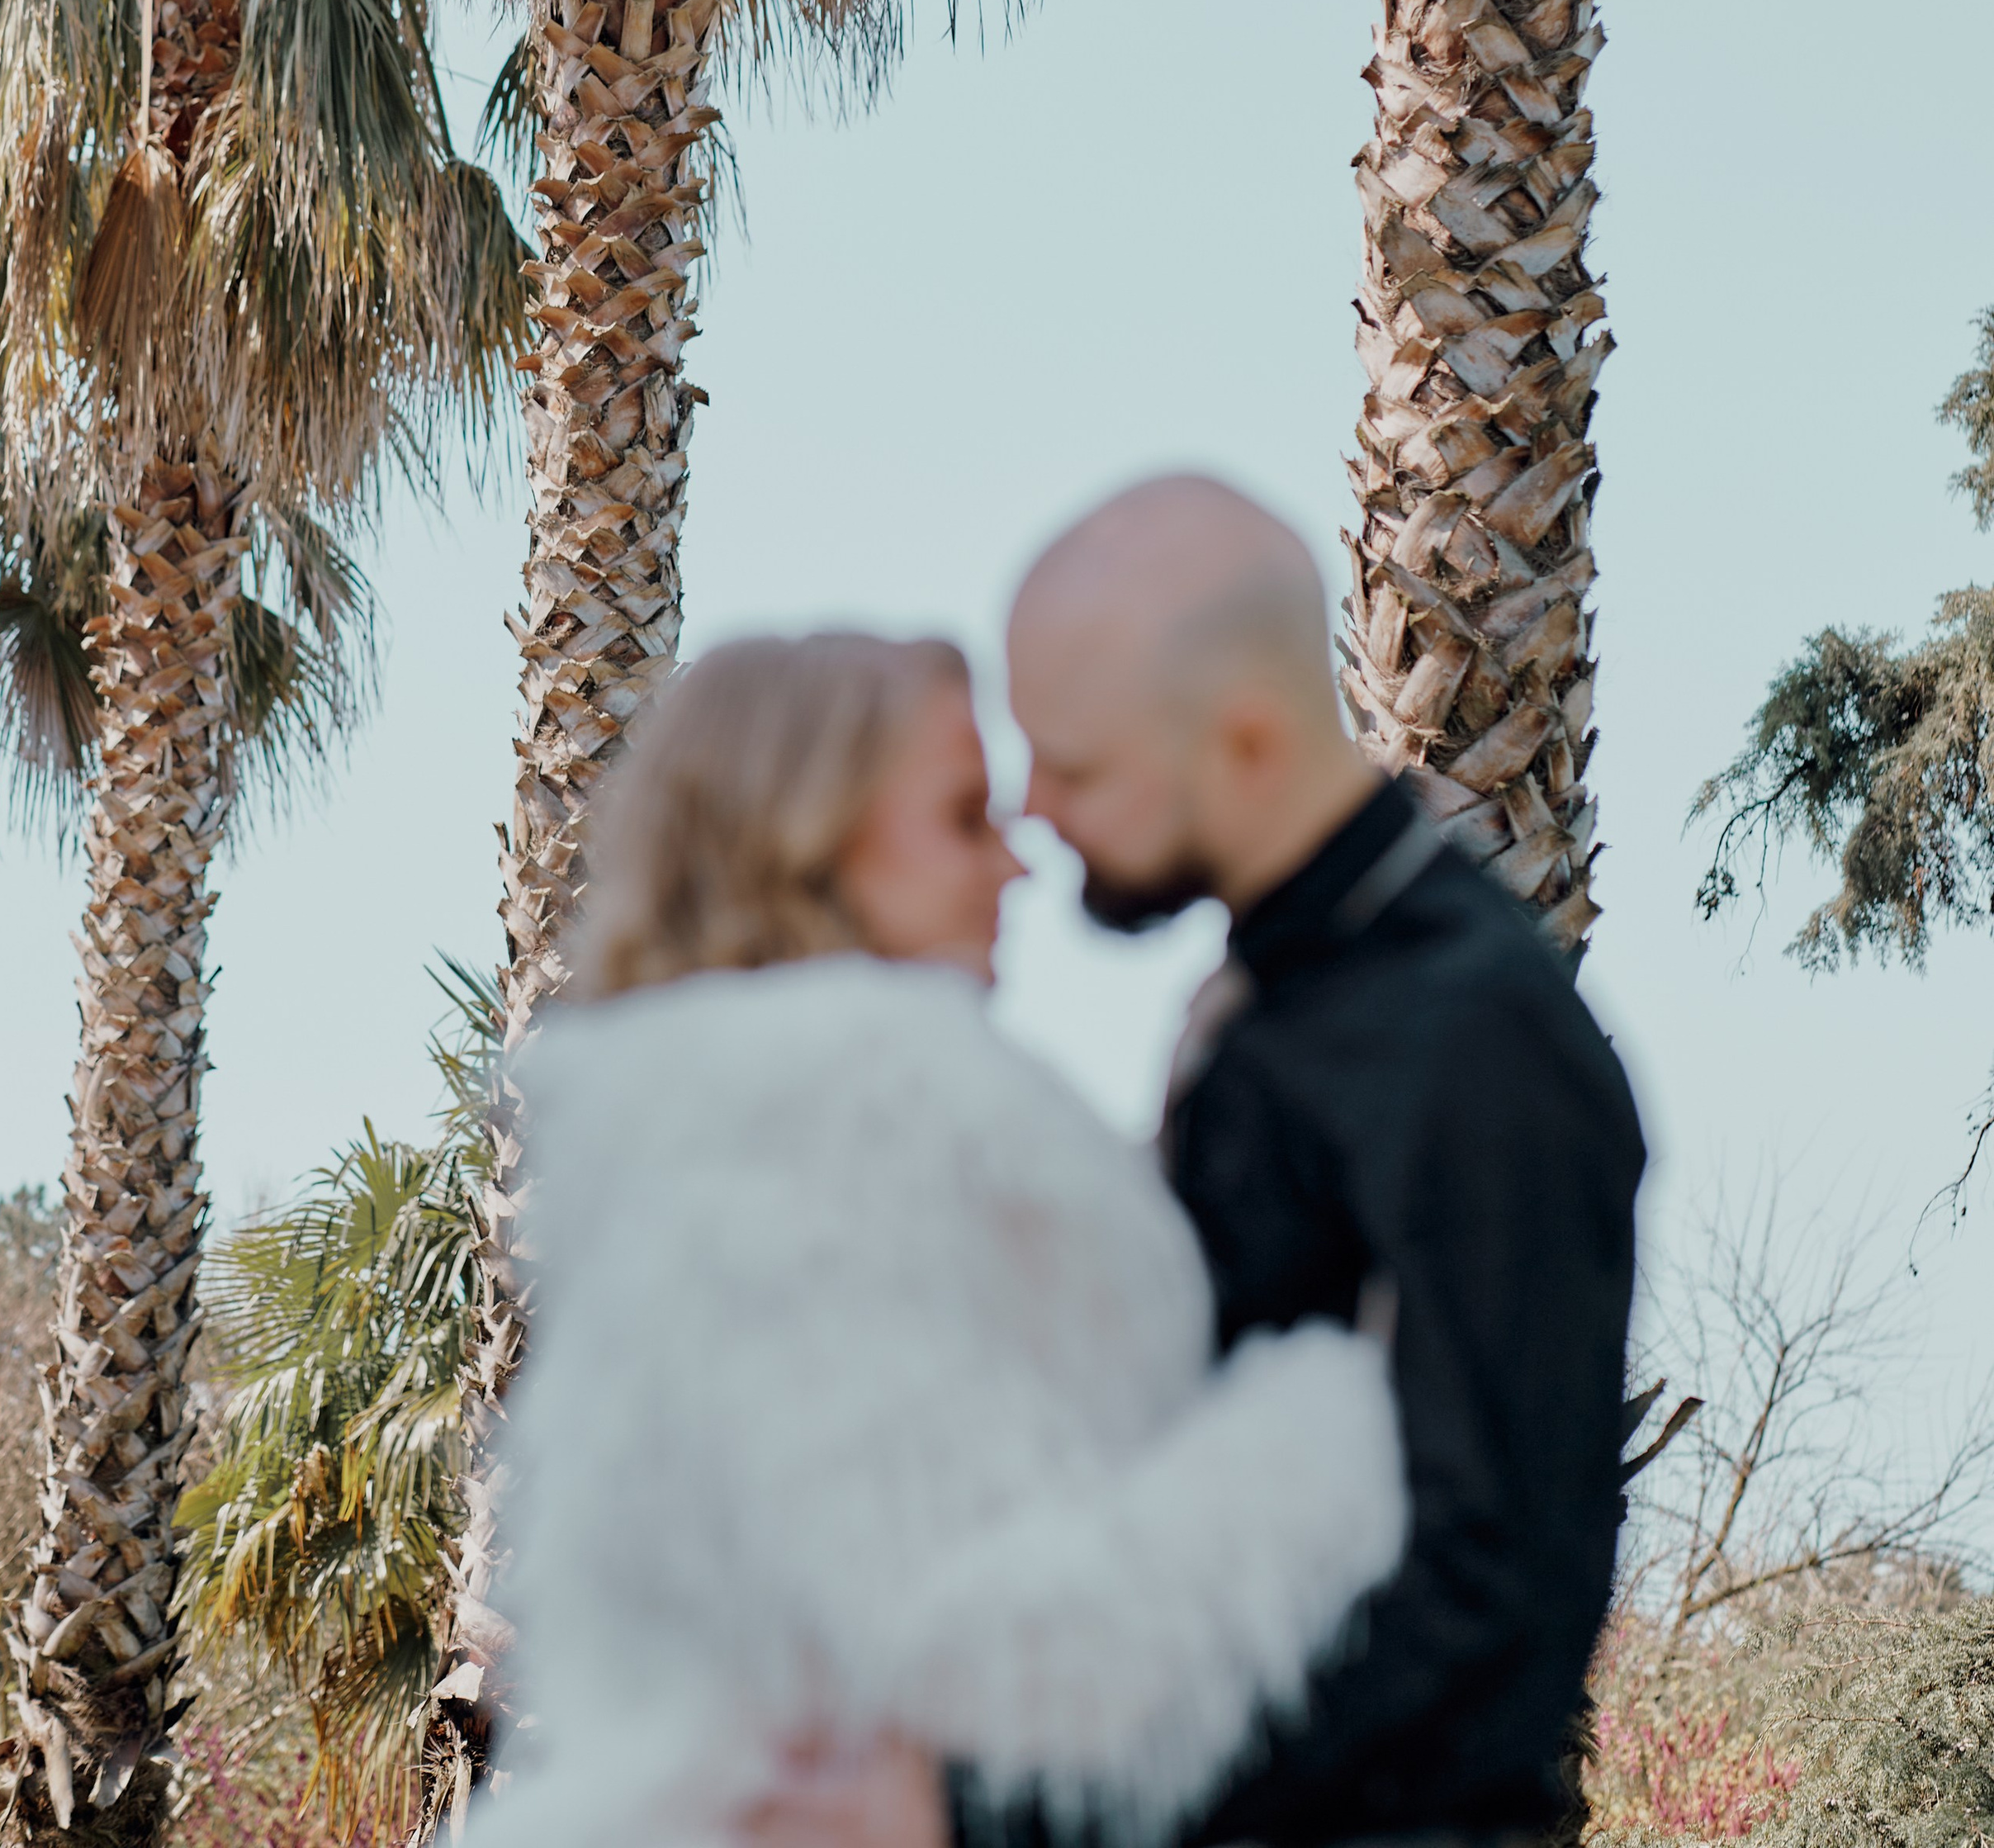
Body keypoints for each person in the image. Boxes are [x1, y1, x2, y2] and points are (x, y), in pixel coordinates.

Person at [753, 476, 1646, 1848]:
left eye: (1079, 765)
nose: (1033, 811)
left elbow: (1488, 1617)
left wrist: (989, 1817)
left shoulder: (1479, 1043)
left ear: (1244, 738)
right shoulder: (1272, 996)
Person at [471, 627, 1409, 1848]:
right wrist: (1321, 1436)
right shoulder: (841, 1155)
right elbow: (1002, 1654)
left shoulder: (721, 1156)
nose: (1017, 865)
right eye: (965, 820)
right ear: (802, 841)